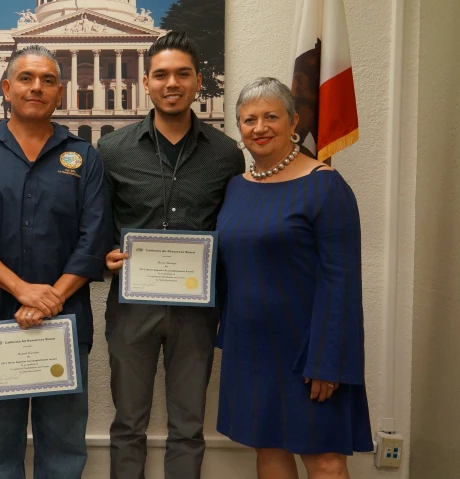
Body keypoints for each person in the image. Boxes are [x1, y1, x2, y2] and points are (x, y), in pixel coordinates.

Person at [0, 45, 111, 478]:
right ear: (6, 88)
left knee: (64, 448)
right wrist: (23, 291)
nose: (36, 87)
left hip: (64, 322)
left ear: (60, 93)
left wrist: (49, 299)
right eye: (26, 78)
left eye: (48, 81)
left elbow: (94, 239)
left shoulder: (85, 157)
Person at [97, 31, 244, 479]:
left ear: (199, 81)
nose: (171, 83)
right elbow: (97, 224)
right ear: (146, 82)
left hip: (197, 310)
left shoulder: (226, 154)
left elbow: (234, 228)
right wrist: (105, 254)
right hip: (131, 306)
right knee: (127, 423)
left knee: (188, 426)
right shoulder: (112, 149)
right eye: (161, 74)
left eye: (183, 73)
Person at [215, 77, 373, 479]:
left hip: (309, 351)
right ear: (239, 128)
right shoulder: (236, 187)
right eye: (249, 119)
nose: (260, 127)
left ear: (294, 122)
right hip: (251, 348)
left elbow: (342, 281)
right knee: (268, 447)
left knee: (324, 460)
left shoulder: (326, 186)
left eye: (272, 116)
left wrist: (329, 360)